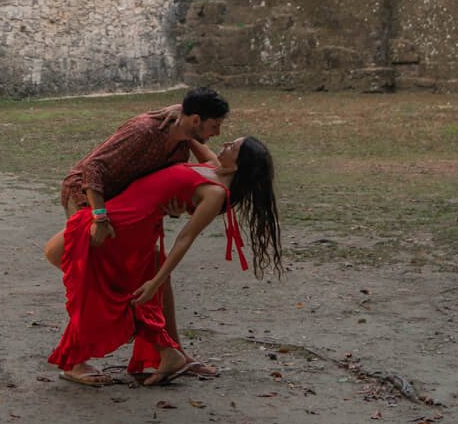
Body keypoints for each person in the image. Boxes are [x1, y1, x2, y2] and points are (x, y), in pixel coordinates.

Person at [45, 137, 282, 387]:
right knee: (94, 277)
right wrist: (176, 113)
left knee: (78, 266)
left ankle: (85, 358)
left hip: (126, 225)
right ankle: (167, 352)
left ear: (237, 165)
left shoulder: (215, 193)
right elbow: (190, 135)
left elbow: (184, 239)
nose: (224, 144)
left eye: (232, 147)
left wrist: (155, 283)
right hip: (123, 213)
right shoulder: (212, 166)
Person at [58, 87, 230, 374]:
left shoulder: (182, 142)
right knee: (92, 273)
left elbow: (212, 166)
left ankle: (174, 353)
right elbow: (92, 169)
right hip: (87, 197)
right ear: (197, 119)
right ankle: (75, 361)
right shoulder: (145, 130)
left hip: (124, 206)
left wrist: (171, 206)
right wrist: (100, 218)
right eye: (215, 126)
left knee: (156, 272)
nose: (218, 133)